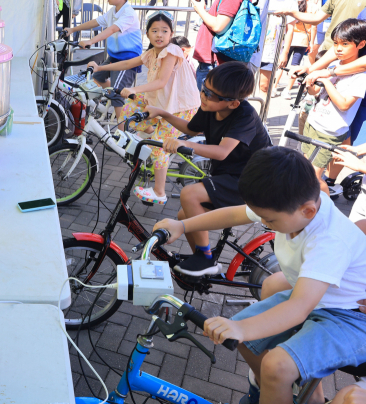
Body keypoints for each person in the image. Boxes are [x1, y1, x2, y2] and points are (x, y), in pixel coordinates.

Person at [152, 146, 366, 404]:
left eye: (270, 222)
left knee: (276, 365)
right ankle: (273, 392)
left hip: (349, 316)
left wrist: (241, 327)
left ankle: (278, 387)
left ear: (308, 210)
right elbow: (235, 213)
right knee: (244, 340)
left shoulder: (330, 240)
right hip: (318, 299)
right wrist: (183, 225)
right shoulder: (290, 205)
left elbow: (298, 308)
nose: (265, 224)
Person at [144, 62, 271, 275]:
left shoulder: (245, 116)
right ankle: (202, 261)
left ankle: (205, 259)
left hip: (255, 180)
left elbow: (222, 152)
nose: (203, 96)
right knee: (186, 216)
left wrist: (186, 145)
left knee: (190, 193)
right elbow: (190, 129)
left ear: (233, 104)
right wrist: (162, 114)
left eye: (211, 95)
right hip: (231, 175)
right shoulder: (210, 107)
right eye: (204, 88)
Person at [88, 11, 200, 204]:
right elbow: (127, 63)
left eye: (164, 31)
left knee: (159, 146)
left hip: (179, 108)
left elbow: (161, 81)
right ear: (147, 34)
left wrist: (133, 88)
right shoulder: (151, 53)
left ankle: (159, 191)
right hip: (162, 103)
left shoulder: (172, 51)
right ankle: (153, 135)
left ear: (171, 34)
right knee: (129, 110)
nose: (159, 35)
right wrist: (100, 68)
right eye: (154, 30)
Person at [63, 0, 142, 128]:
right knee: (97, 78)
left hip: (127, 60)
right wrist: (73, 29)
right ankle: (119, 95)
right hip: (114, 56)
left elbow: (112, 29)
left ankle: (122, 134)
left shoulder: (128, 13)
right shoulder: (113, 11)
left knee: (117, 95)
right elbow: (96, 22)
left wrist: (91, 41)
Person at [302, 19, 366, 196]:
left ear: (361, 44)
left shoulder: (360, 76)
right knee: (305, 169)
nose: (338, 48)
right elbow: (315, 91)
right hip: (313, 123)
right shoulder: (334, 65)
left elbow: (345, 105)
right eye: (336, 43)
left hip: (329, 133)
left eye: (345, 44)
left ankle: (322, 211)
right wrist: (310, 81)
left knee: (313, 179)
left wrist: (325, 80)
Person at [258, 0, 297, 96]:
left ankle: (261, 116)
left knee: (264, 86)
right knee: (245, 85)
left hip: (271, 51)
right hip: (252, 48)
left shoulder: (290, 2)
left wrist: (285, 53)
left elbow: (290, 30)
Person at [278, 0, 317, 99]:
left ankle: (274, 87)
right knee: (295, 65)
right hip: (303, 40)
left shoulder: (294, 2)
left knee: (282, 63)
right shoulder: (314, 7)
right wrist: (311, 42)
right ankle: (287, 90)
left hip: (290, 38)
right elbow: (314, 27)